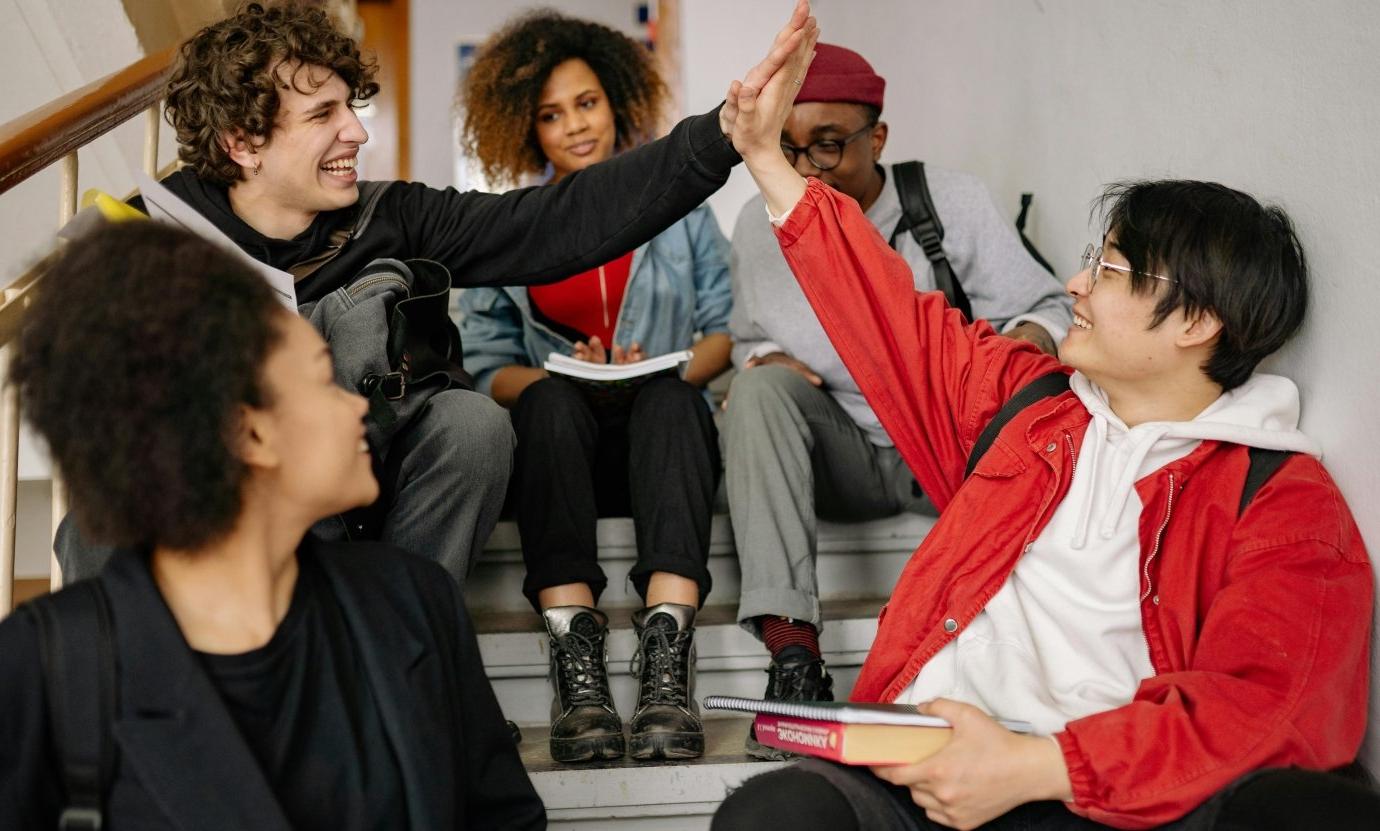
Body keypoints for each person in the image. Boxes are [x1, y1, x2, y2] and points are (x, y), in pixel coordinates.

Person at [710, 68, 1376, 830]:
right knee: (775, 816)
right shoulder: (1024, 405)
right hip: (925, 768)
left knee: (1313, 810)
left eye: (1112, 270)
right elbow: (888, 313)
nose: (1075, 284)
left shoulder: (1281, 499)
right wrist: (764, 156)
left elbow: (1270, 709)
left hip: (1112, 791)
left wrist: (1038, 766)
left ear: (1197, 322)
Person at [54, 0, 815, 587]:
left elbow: (559, 223)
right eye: (323, 115)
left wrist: (723, 134)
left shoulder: (395, 216)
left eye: (351, 106)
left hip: (369, 485)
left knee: (472, 425)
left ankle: (408, 653)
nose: (356, 132)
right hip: (227, 492)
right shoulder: (149, 238)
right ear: (242, 142)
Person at [0, 223, 544, 829]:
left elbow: (505, 818)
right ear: (248, 431)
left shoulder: (416, 602)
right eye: (323, 379)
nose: (359, 404)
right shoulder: (43, 665)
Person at [721, 42, 1073, 754]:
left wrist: (1017, 349)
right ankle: (794, 656)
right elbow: (741, 339)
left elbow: (1045, 310)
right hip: (840, 450)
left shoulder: (950, 201)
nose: (807, 170)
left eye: (828, 145)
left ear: (876, 137)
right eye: (788, 149)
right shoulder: (758, 228)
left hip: (952, 450)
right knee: (753, 391)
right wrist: (762, 356)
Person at [456, 11, 736, 763]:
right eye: (550, 115)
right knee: (546, 400)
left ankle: (666, 664)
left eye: (586, 103)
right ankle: (576, 665)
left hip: (662, 447)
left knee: (674, 397)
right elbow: (485, 364)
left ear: (616, 102)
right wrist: (562, 373)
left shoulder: (682, 214)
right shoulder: (509, 227)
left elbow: (724, 329)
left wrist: (661, 366)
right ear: (526, 129)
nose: (575, 126)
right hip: (559, 454)